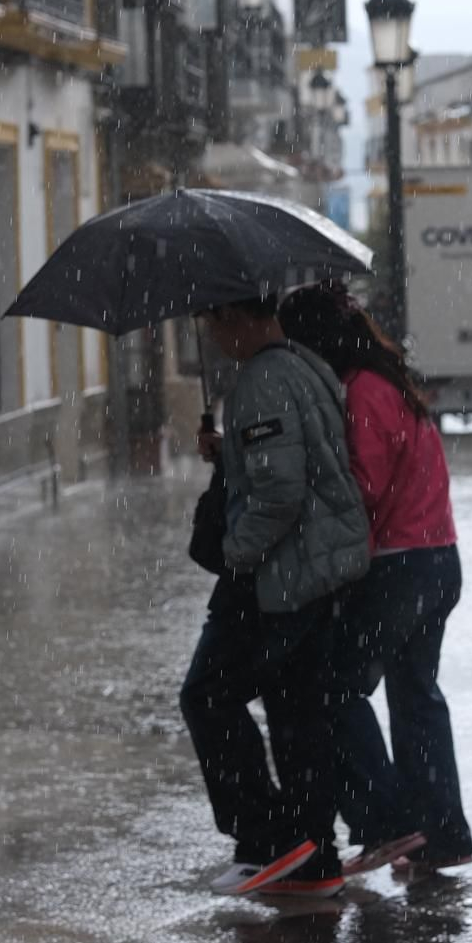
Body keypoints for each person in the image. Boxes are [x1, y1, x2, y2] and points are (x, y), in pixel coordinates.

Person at [278, 284, 472, 874]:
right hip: (437, 557)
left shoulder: (363, 394)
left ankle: (390, 822)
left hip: (398, 566)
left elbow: (362, 488)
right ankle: (442, 834)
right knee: (417, 697)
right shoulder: (390, 384)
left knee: (333, 685)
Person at [179, 295, 371, 898]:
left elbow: (281, 493)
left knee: (208, 695)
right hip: (319, 573)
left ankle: (265, 837)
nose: (212, 337)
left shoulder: (260, 382)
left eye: (213, 322)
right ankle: (315, 857)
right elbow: (289, 462)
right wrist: (229, 452)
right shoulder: (303, 364)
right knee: (296, 715)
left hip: (280, 577)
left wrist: (236, 554)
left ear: (236, 317)